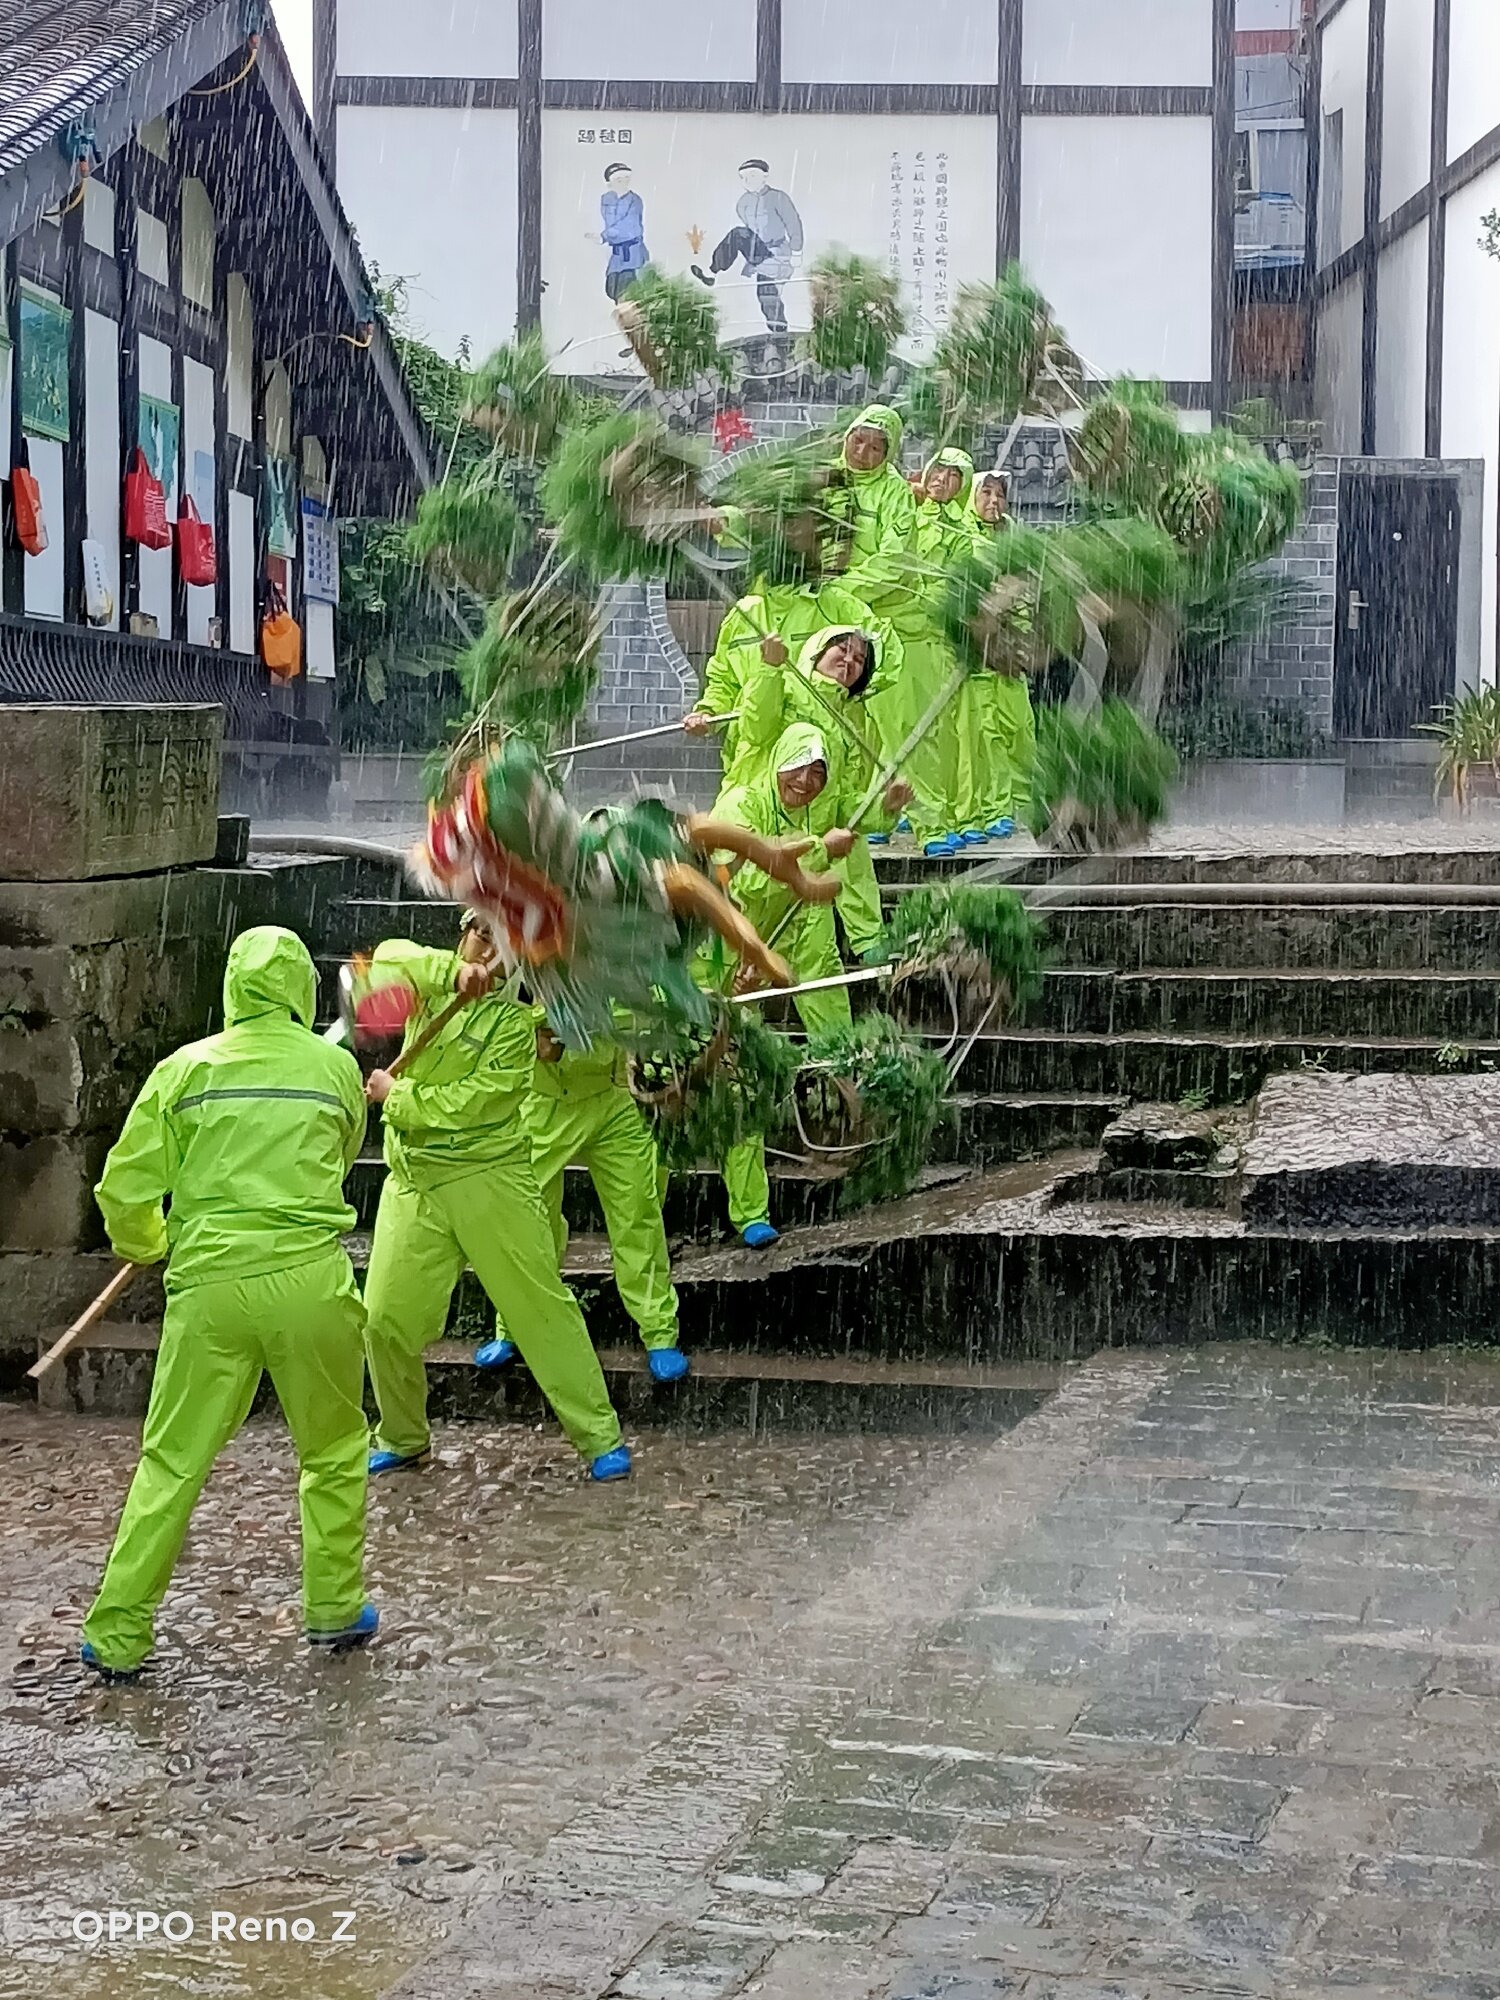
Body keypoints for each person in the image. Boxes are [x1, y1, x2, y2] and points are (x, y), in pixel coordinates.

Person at [80, 927, 375, 1681]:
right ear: (302, 987)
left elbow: (124, 1187)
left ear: (233, 986)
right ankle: (334, 1608)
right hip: (309, 1282)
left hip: (209, 1288)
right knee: (333, 1451)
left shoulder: (184, 1070)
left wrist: (148, 1241)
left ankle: (117, 1631)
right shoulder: (335, 1069)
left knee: (172, 1461)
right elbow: (341, 1156)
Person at [360, 917, 630, 1483]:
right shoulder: (430, 981)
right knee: (383, 1319)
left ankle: (599, 1434)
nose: (488, 951)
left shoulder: (515, 1023)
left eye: (503, 944)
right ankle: (402, 1436)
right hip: (414, 1182)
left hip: (491, 1181)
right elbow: (384, 959)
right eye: (481, 934)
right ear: (462, 933)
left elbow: (478, 1102)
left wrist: (397, 1097)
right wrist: (450, 973)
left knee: (539, 1310)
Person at [475, 1014, 687, 1385]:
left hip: (613, 1100)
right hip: (542, 1101)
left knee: (636, 1213)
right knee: (528, 1217)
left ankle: (659, 1331)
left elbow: (626, 1013)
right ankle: (513, 1324)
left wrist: (565, 1046)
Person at [709, 723, 858, 1245]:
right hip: (712, 952)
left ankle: (753, 1211)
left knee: (746, 1081)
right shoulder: (740, 804)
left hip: (765, 949)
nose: (806, 781)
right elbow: (741, 878)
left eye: (818, 772)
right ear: (778, 761)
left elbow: (792, 895)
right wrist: (818, 850)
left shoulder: (811, 814)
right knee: (687, 1089)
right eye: (799, 766)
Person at [732, 624, 911, 962]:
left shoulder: (846, 724)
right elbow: (755, 728)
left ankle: (870, 949)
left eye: (859, 659)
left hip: (811, 858)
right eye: (842, 649)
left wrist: (885, 807)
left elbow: (837, 800)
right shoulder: (786, 686)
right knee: (743, 948)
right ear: (817, 651)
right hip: (764, 832)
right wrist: (769, 669)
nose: (849, 661)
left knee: (818, 959)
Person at [967, 469, 1035, 836]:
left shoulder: (1016, 539)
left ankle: (1020, 805)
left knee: (1020, 729)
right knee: (985, 733)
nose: (994, 501)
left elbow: (1029, 588)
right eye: (986, 493)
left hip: (1011, 652)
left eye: (1000, 495)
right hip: (977, 654)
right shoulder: (962, 537)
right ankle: (992, 810)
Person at [692, 160, 804, 337]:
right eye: (743, 177)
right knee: (739, 235)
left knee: (767, 294)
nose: (747, 181)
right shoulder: (743, 203)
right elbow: (750, 233)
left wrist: (797, 251)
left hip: (778, 251)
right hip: (759, 252)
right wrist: (751, 259)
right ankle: (712, 273)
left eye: (752, 176)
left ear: (764, 176)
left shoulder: (778, 198)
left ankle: (779, 332)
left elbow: (793, 223)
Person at [599, 162, 648, 304]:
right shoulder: (607, 199)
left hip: (633, 254)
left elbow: (630, 227)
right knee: (612, 288)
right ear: (610, 183)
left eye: (626, 179)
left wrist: (604, 236)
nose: (623, 183)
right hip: (616, 256)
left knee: (629, 291)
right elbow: (609, 221)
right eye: (618, 180)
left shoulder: (635, 200)